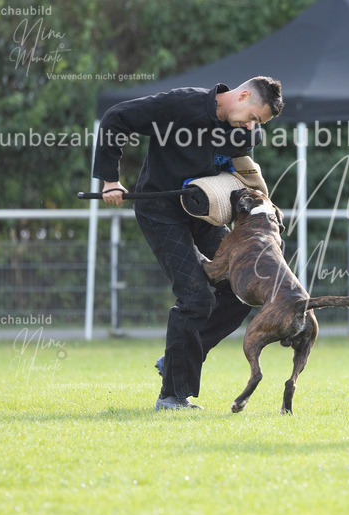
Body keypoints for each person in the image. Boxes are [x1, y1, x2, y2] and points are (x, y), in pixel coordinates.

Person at [93, 76, 284, 410]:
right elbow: (116, 118)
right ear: (241, 96)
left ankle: (173, 361)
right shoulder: (182, 105)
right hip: (160, 210)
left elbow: (240, 167)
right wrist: (111, 180)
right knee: (194, 297)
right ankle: (172, 396)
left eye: (260, 123)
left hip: (201, 215)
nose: (255, 127)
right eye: (255, 116)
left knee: (241, 293)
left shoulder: (243, 130)